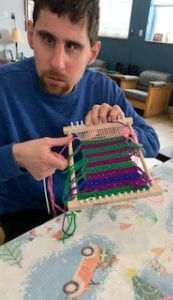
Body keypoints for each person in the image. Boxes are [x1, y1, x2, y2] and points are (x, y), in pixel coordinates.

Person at [0, 0, 159, 243]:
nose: (57, 62)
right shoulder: (4, 86)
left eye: (73, 46)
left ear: (92, 53)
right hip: (23, 215)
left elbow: (152, 141)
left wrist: (120, 131)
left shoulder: (104, 88)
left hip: (91, 206)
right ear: (31, 35)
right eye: (47, 39)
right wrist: (16, 157)